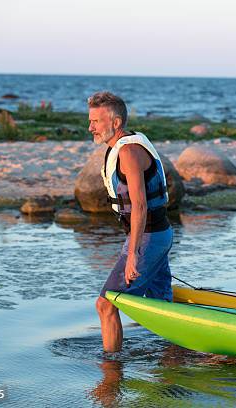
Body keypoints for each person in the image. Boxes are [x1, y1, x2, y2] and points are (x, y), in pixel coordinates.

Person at [88, 91, 173, 352]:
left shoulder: (128, 152)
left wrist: (134, 254)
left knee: (106, 304)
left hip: (150, 237)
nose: (90, 127)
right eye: (90, 121)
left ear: (115, 123)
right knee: (162, 304)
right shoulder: (121, 146)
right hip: (158, 234)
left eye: (96, 121)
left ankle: (111, 370)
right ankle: (178, 354)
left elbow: (139, 205)